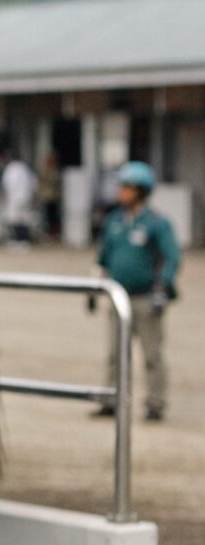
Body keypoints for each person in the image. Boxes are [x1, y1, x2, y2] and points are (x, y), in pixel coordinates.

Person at [93, 160, 181, 422]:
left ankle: (156, 403)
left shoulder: (156, 223)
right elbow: (104, 258)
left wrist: (162, 288)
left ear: (141, 191)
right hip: (119, 297)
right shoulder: (114, 221)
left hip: (146, 298)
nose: (121, 192)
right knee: (115, 353)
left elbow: (172, 257)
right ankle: (112, 399)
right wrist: (94, 287)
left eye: (126, 187)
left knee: (152, 354)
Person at [0, 140, 37, 249]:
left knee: (14, 219)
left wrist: (3, 198)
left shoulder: (11, 169)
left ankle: (17, 240)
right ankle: (24, 240)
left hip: (14, 198)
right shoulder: (25, 168)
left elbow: (6, 185)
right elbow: (34, 183)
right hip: (26, 197)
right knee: (24, 219)